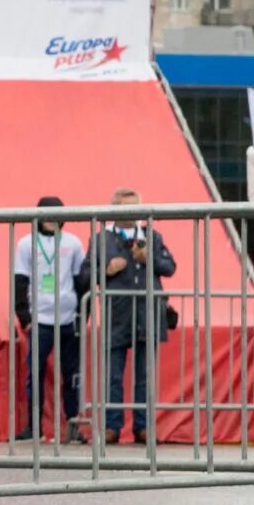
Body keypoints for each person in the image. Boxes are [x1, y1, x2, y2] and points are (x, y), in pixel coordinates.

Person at [98, 188, 177, 447]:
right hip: (116, 315)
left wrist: (149, 258)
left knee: (145, 375)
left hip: (147, 314)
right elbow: (85, 275)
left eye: (135, 207)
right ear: (114, 209)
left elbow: (170, 267)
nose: (131, 213)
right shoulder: (102, 238)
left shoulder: (152, 236)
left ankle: (143, 427)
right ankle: (112, 426)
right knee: (113, 374)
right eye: (125, 208)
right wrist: (106, 270)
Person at [12, 196, 90, 443]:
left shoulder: (73, 243)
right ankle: (34, 427)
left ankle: (73, 426)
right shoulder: (25, 244)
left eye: (55, 215)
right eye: (46, 215)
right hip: (39, 319)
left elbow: (82, 281)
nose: (50, 220)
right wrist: (25, 318)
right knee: (35, 374)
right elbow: (19, 282)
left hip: (68, 318)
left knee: (72, 375)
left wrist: (82, 317)